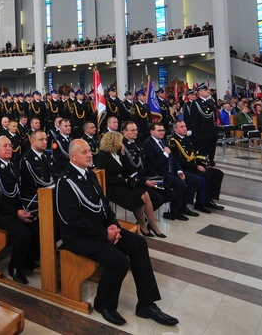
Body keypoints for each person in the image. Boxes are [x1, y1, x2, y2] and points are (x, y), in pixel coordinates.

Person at [55, 139, 178, 327]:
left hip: (102, 230)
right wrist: (105, 234)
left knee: (139, 244)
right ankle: (104, 304)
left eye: (89, 151)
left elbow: (104, 205)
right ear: (72, 157)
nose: (89, 155)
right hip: (79, 237)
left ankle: (146, 304)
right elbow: (72, 220)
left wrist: (113, 226)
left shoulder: (89, 174)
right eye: (84, 152)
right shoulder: (65, 182)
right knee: (119, 262)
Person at [0, 135, 40, 285]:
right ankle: (15, 268)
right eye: (5, 146)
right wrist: (16, 213)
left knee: (37, 225)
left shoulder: (14, 165)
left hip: (16, 208)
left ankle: (29, 260)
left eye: (9, 145)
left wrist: (29, 208)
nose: (9, 148)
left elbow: (20, 191)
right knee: (23, 233)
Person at [94, 132, 167, 237]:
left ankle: (153, 224)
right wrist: (124, 181)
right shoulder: (102, 155)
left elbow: (125, 170)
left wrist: (123, 156)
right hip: (112, 187)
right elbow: (106, 177)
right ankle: (142, 225)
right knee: (140, 196)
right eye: (120, 141)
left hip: (122, 182)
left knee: (145, 193)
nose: (121, 143)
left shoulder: (117, 153)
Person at [142, 123, 201, 222]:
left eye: (163, 130)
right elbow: (153, 165)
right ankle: (175, 210)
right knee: (181, 184)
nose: (162, 133)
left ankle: (183, 205)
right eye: (159, 131)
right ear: (152, 132)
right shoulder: (148, 144)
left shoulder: (163, 141)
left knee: (195, 180)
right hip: (160, 173)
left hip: (172, 171)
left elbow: (173, 159)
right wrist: (165, 154)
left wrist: (179, 170)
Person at [169, 121, 224, 212]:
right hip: (185, 168)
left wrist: (204, 164)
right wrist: (196, 166)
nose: (185, 128)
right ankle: (200, 203)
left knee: (218, 174)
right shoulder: (173, 141)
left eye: (185, 126)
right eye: (181, 127)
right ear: (175, 129)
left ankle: (209, 199)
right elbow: (178, 161)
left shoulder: (187, 138)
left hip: (193, 165)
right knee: (205, 177)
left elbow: (194, 154)